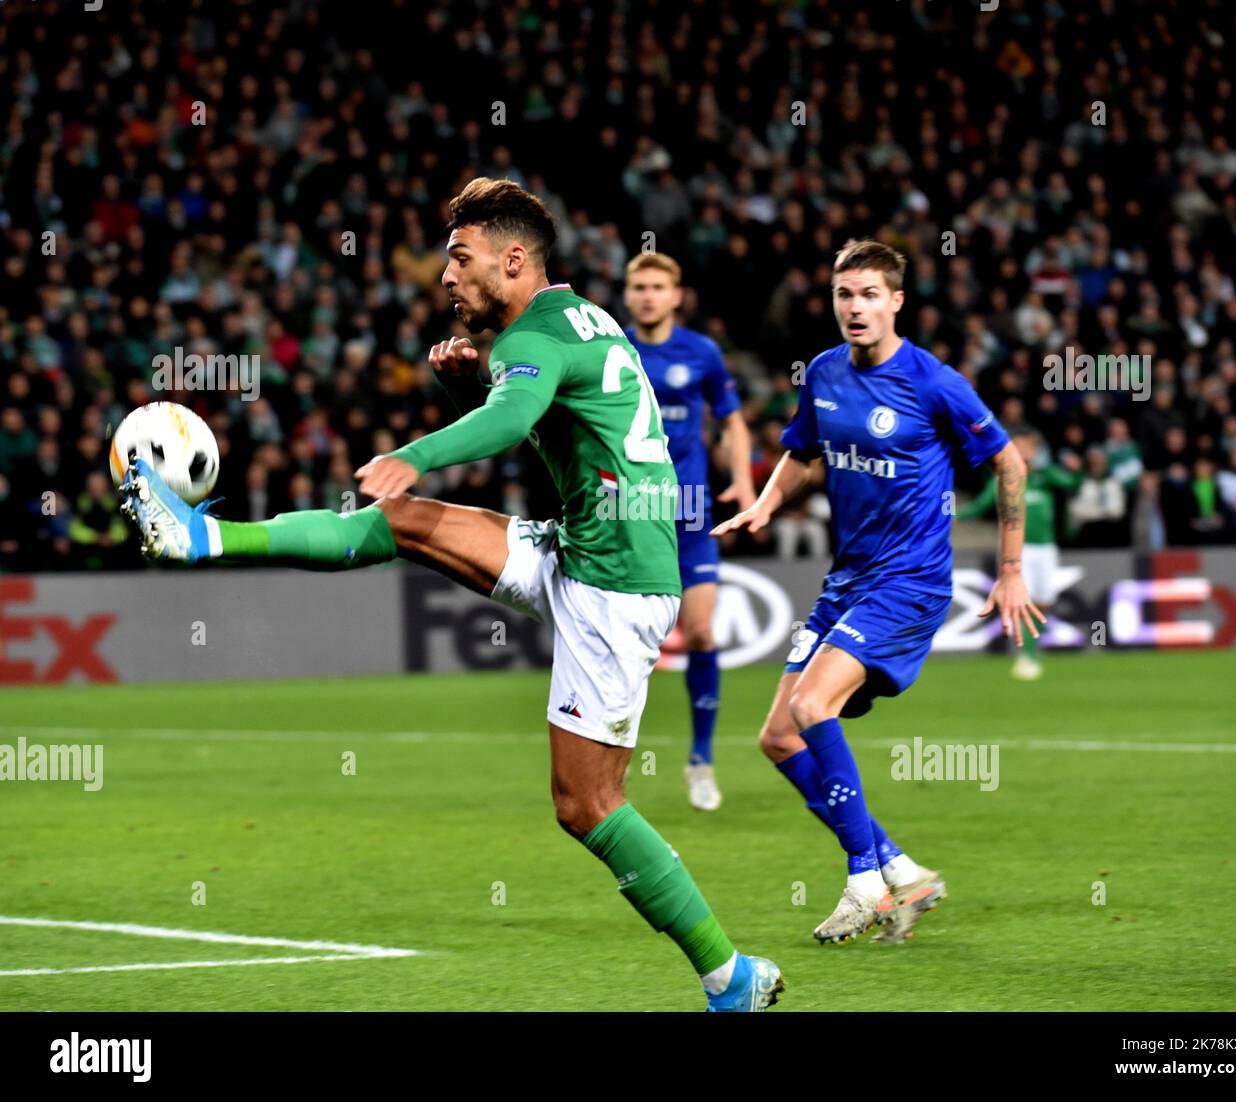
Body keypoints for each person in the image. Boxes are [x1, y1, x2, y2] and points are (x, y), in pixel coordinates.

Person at [120, 177, 782, 1012]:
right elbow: (544, 415)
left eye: (460, 259)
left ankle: (732, 979)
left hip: (616, 588)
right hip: (587, 548)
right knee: (402, 523)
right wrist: (476, 398)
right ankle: (203, 536)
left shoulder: (533, 338)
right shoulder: (579, 319)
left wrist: (422, 448)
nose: (445, 277)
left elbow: (512, 421)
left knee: (588, 804)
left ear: (513, 261)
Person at [714, 239, 1042, 944]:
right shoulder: (826, 373)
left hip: (912, 581)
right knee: (776, 737)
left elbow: (1009, 463)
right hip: (848, 580)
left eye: (869, 295)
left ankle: (865, 879)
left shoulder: (933, 382)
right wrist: (769, 503)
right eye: (844, 295)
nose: (855, 308)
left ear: (896, 301)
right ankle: (902, 870)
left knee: (810, 703)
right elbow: (803, 453)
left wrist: (1011, 568)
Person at [624, 251, 755, 811]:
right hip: (626, 510)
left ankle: (700, 760)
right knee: (625, 645)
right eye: (639, 286)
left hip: (692, 509)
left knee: (700, 633)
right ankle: (611, 762)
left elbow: (732, 420)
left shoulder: (701, 352)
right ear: (628, 294)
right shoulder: (613, 347)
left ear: (676, 295)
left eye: (658, 286)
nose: (649, 295)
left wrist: (745, 482)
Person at [961, 429, 1081, 680]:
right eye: (1022, 446)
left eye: (1030, 447)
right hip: (1019, 551)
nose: (1027, 452)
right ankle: (1028, 656)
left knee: (1045, 601)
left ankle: (1032, 647)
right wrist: (951, 514)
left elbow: (1072, 484)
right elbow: (980, 506)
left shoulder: (1045, 477)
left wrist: (1075, 469)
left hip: (1046, 548)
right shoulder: (1003, 479)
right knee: (1025, 604)